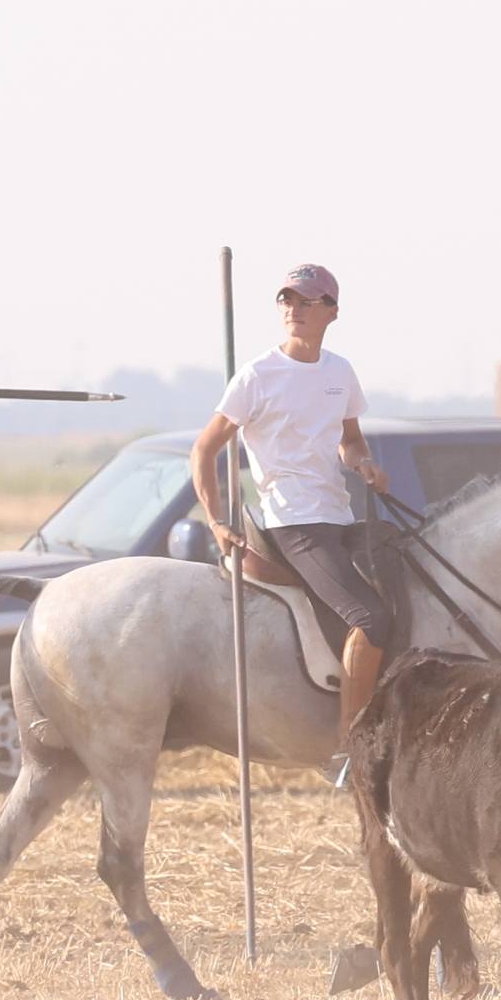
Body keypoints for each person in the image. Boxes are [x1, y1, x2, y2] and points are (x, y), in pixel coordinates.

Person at [190, 264, 399, 743]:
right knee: (370, 617)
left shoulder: (339, 372)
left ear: (332, 312)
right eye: (287, 300)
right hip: (294, 523)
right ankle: (352, 744)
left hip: (339, 514)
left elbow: (350, 441)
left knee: (409, 576)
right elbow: (204, 450)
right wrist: (218, 521)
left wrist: (364, 465)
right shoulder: (257, 377)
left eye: (306, 302)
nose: (294, 310)